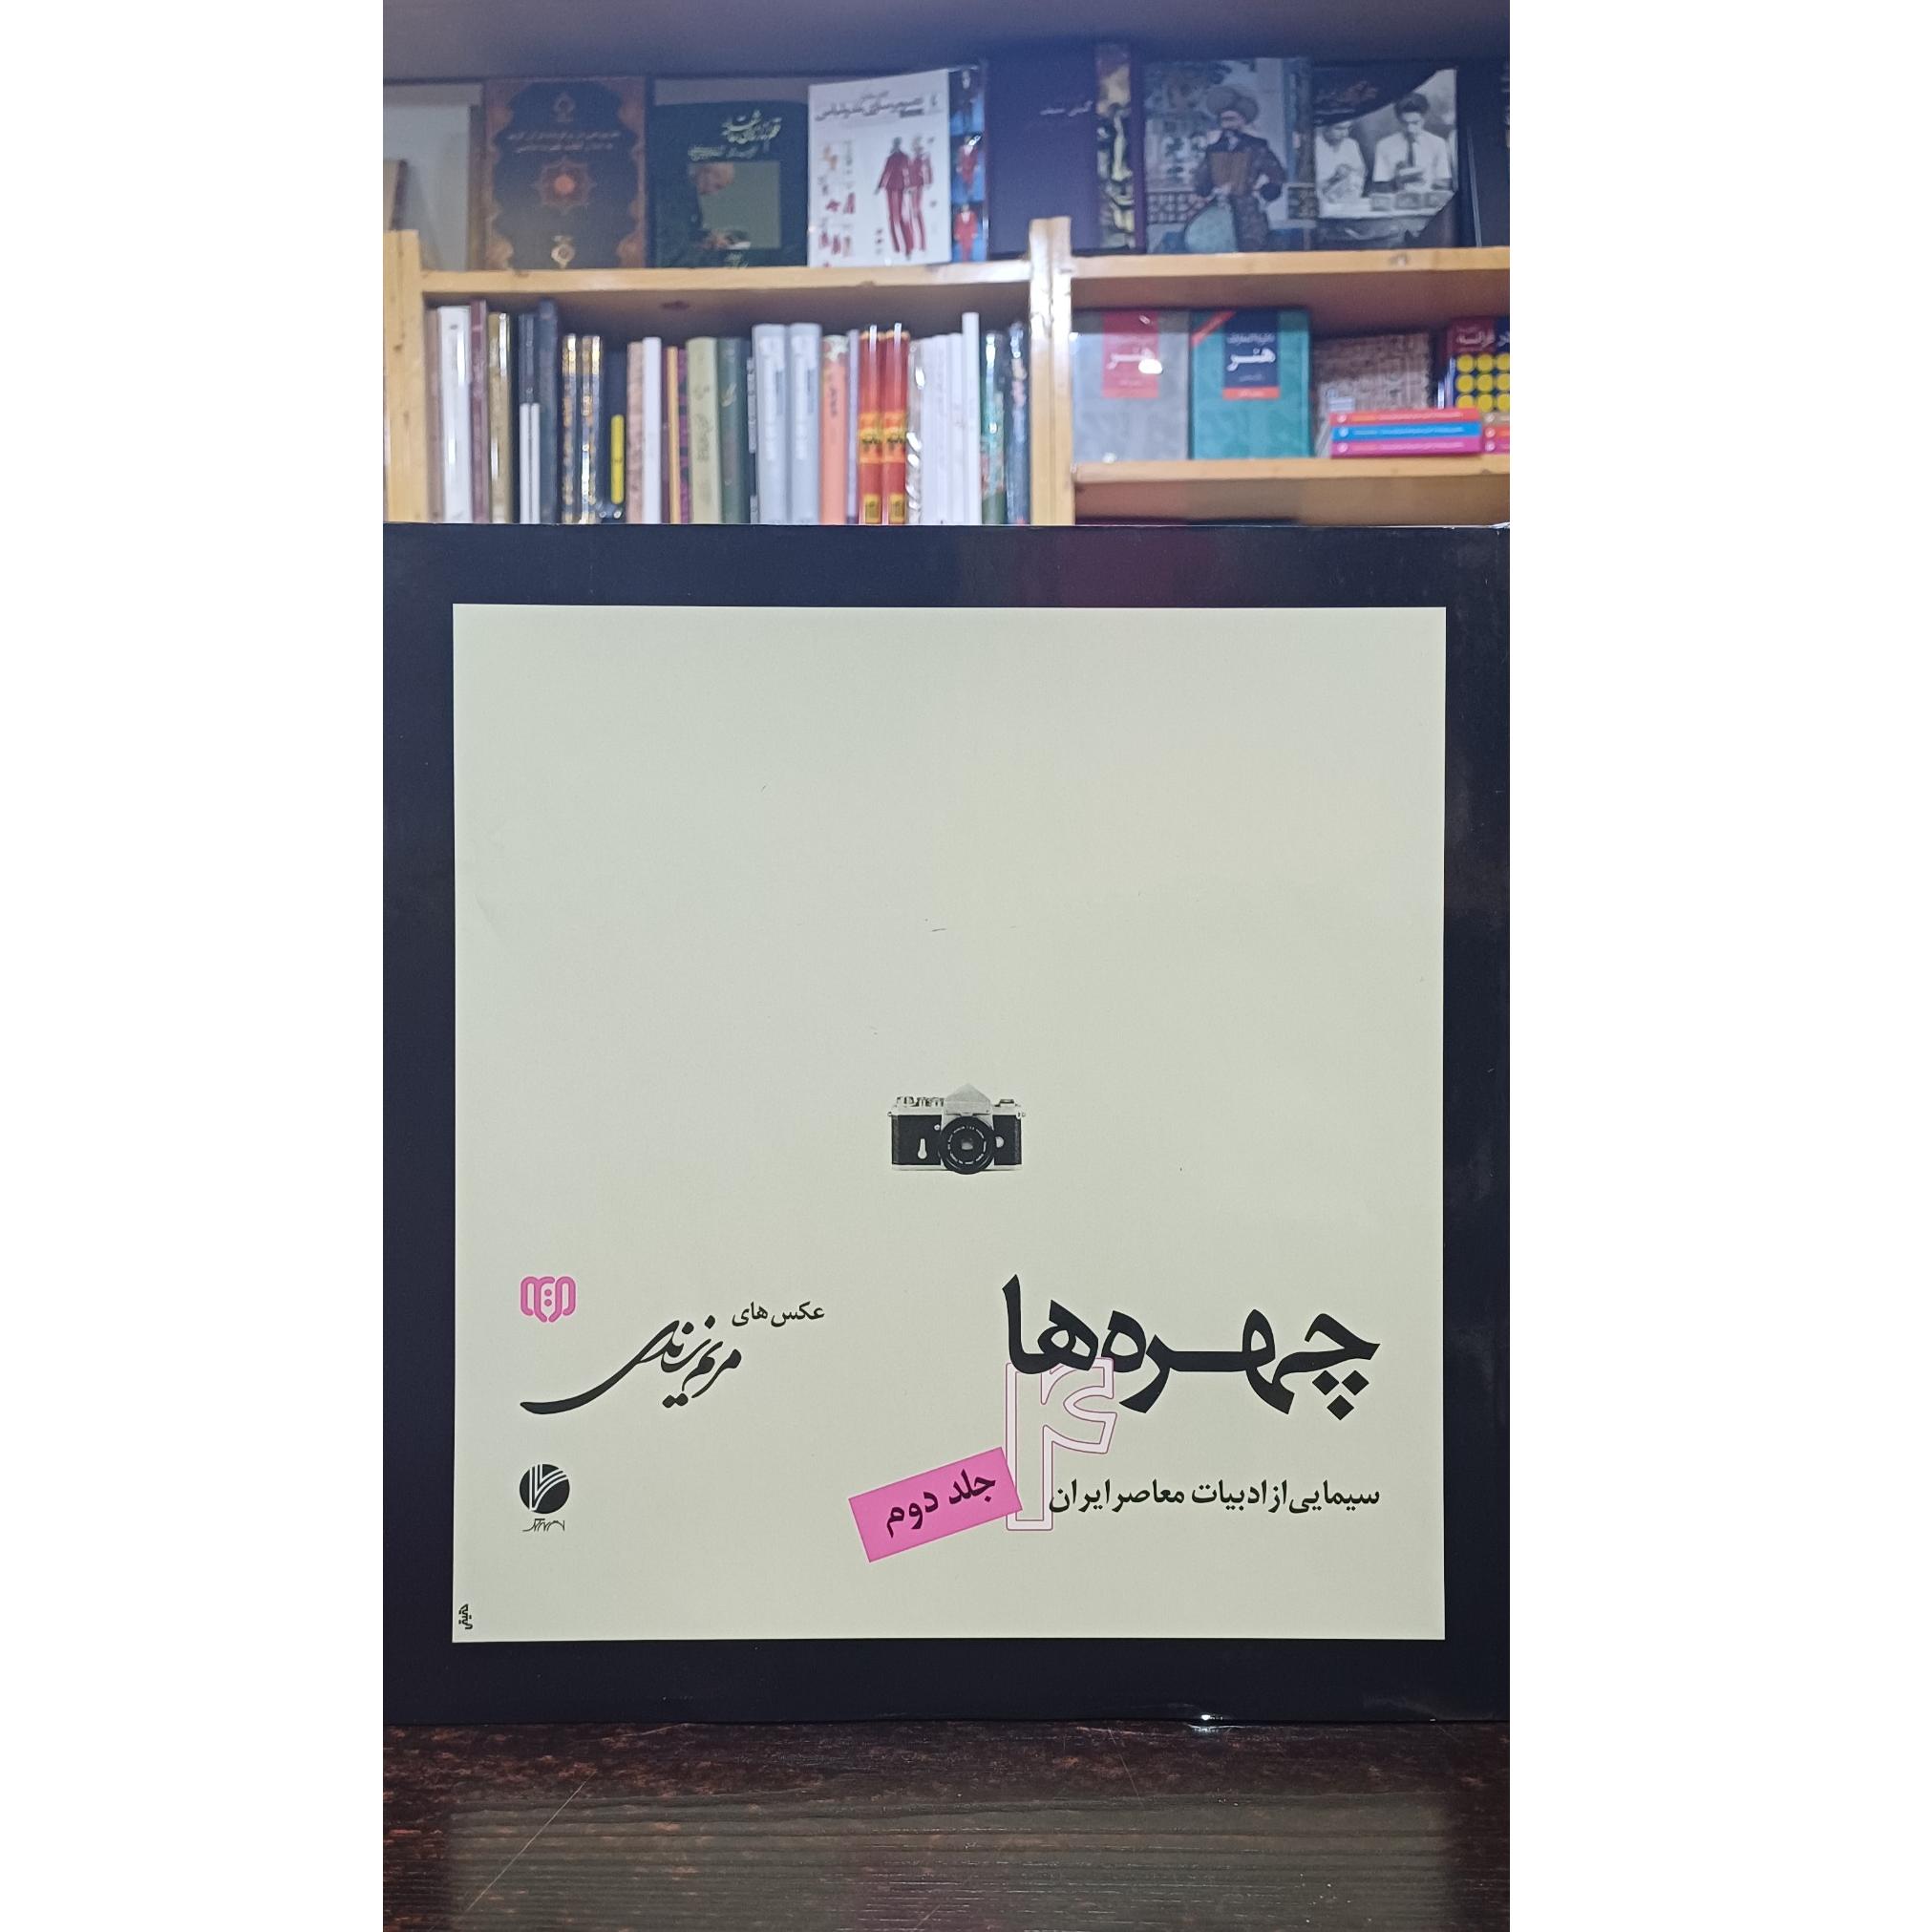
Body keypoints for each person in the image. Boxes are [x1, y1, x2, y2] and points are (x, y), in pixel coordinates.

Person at [1189, 85, 1287, 250]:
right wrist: (1203, 190)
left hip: (1248, 210)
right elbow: (1202, 178)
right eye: (1224, 120)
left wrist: (1265, 194)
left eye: (1232, 119)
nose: (1228, 124)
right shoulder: (1213, 149)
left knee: (1252, 246)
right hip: (1219, 207)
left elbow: (1277, 174)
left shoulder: (1257, 147)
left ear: (1242, 121)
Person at [1371, 94, 1455, 202]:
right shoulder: (1384, 145)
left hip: (1428, 203)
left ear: (1424, 118)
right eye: (1404, 123)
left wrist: (1425, 183)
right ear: (1398, 119)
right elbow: (1380, 185)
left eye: (1415, 123)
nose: (1410, 129)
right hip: (1396, 204)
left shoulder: (1438, 143)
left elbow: (1444, 182)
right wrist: (1397, 181)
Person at [1315, 120, 1368, 211]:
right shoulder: (1313, 146)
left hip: (1348, 202)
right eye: (1339, 129)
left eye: (1348, 128)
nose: (1345, 134)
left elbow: (1360, 174)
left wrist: (1350, 172)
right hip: (1321, 204)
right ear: (1325, 128)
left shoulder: (1351, 144)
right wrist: (1334, 178)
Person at [876, 138, 914, 254]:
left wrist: (910, 186)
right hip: (890, 187)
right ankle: (896, 247)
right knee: (892, 218)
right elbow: (885, 172)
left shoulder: (905, 157)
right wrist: (879, 186)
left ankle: (908, 247)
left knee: (902, 217)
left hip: (901, 187)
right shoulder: (890, 158)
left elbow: (909, 172)